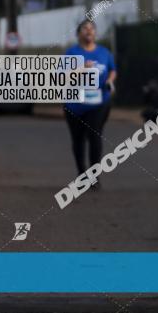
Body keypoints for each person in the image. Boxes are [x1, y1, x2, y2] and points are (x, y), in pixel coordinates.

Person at [63, 20, 116, 190]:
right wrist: (81, 68)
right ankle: (81, 174)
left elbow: (112, 70)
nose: (89, 31)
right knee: (78, 139)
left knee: (95, 135)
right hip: (75, 104)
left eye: (92, 29)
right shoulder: (71, 53)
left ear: (95, 33)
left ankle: (94, 177)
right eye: (85, 29)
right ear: (79, 33)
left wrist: (110, 80)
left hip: (98, 102)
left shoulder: (104, 53)